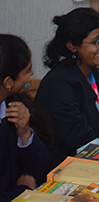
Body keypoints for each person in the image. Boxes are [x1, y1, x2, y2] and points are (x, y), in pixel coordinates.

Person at [36, 7, 99, 167]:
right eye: (97, 42)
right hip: (71, 164)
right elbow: (77, 139)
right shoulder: (57, 85)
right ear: (72, 46)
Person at [1, 34, 51, 202]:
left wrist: (25, 134)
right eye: (27, 70)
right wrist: (23, 190)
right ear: (8, 82)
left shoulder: (13, 106)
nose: (32, 73)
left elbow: (41, 170)